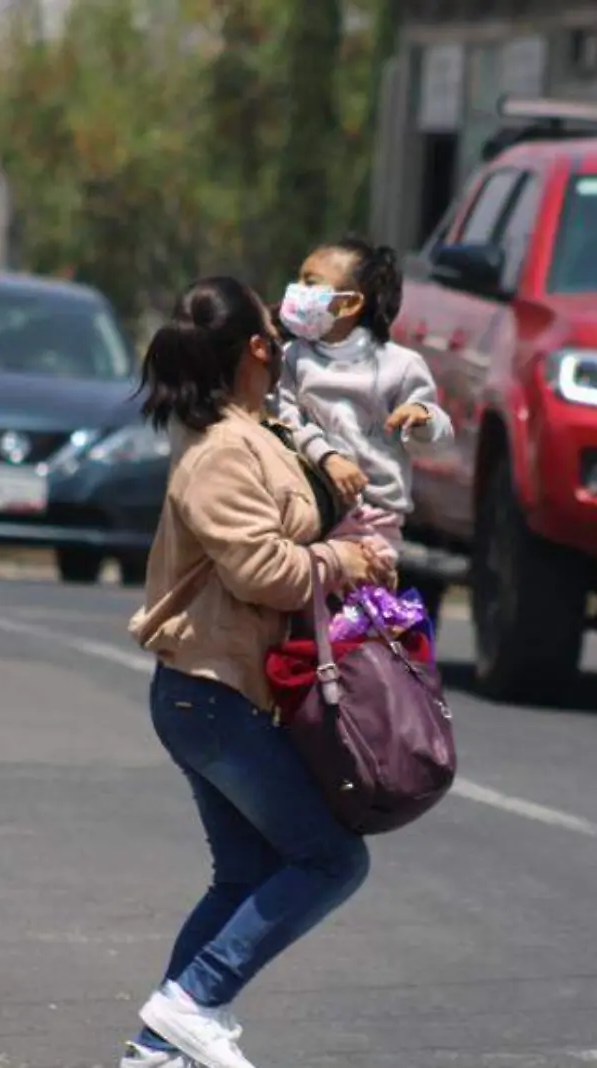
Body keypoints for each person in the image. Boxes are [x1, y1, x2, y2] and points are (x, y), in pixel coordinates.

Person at [125, 277, 394, 1068]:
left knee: (243, 872)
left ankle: (156, 1050)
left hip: (219, 692)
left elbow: (292, 429)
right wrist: (348, 560)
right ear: (255, 349)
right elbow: (262, 570)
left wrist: (327, 455)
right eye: (275, 333)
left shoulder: (252, 428)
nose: (286, 346)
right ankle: (192, 1000)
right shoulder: (217, 453)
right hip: (208, 695)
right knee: (330, 858)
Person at [269, 238, 453, 557]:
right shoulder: (292, 358)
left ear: (348, 304)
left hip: (376, 521)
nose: (297, 290)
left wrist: (423, 417)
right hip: (310, 509)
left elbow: (434, 444)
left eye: (310, 283)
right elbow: (286, 422)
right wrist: (327, 458)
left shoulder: (402, 366)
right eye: (298, 279)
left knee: (365, 602)